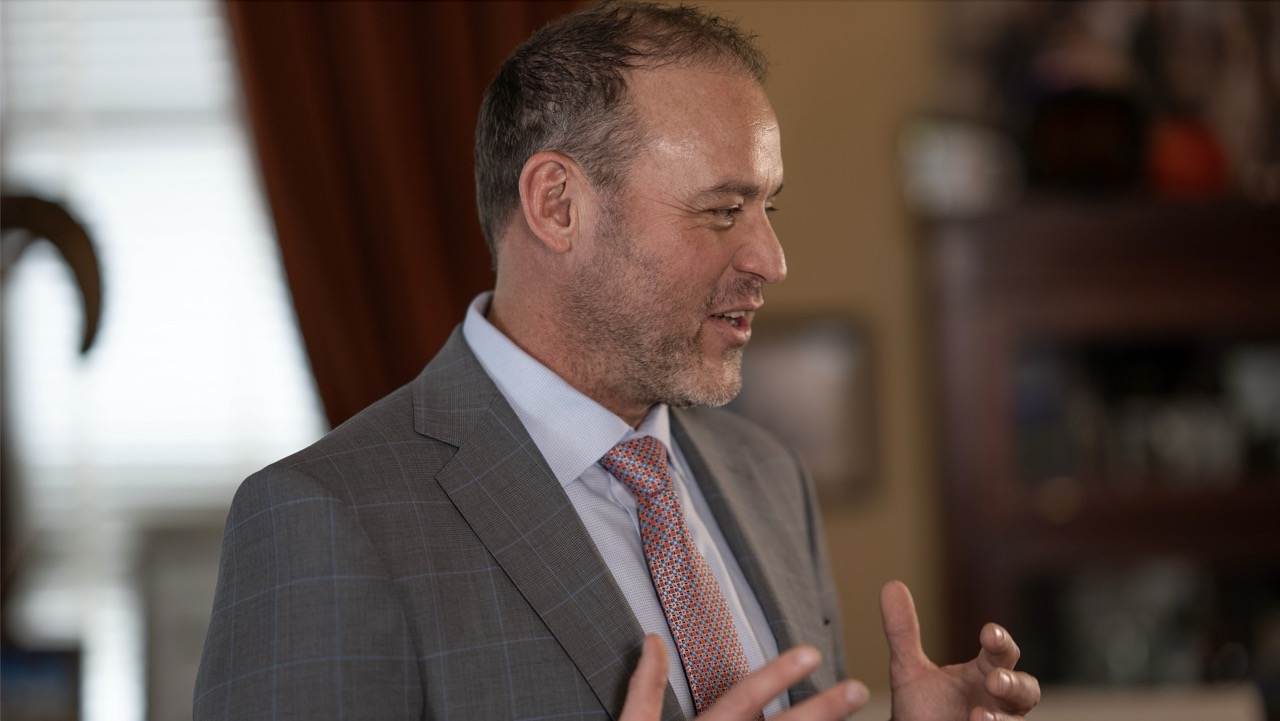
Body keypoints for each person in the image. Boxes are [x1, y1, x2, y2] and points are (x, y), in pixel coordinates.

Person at [194, 2, 1041, 720]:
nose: (772, 260)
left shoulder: (768, 478)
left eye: (768, 208)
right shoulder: (322, 520)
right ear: (558, 205)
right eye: (723, 209)